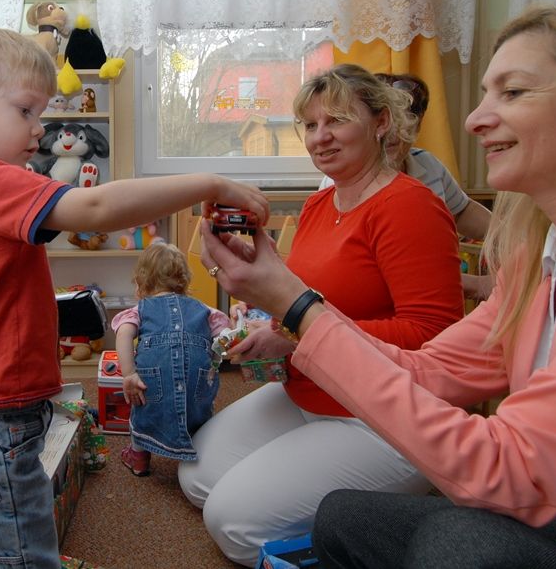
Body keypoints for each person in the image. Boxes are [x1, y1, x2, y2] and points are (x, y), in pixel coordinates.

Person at [198, 0, 556, 568]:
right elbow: (429, 370)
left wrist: (298, 313)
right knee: (336, 515)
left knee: (452, 543)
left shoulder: (411, 204)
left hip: (442, 448)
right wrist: (285, 313)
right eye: (310, 124)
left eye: (515, 92)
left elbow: (507, 467)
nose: (474, 119)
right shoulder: (537, 259)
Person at [0, 22, 269, 569]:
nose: (40, 127)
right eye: (25, 111)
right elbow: (96, 208)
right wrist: (210, 184)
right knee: (20, 557)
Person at [178, 63, 465, 566]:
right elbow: (306, 297)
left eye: (337, 120)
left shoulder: (409, 206)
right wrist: (256, 280)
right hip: (311, 386)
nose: (320, 137)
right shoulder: (320, 204)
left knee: (233, 523)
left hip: (383, 417)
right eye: (310, 125)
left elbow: (432, 335)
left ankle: (376, 530)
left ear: (381, 122)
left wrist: (296, 337)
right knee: (197, 475)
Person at [318, 72, 493, 300]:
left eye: (406, 123)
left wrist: (512, 236)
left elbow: (462, 211)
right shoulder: (340, 181)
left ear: (417, 128)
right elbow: (360, 274)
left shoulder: (427, 164)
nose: (393, 134)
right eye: (386, 123)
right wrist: (475, 285)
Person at [112, 243, 233, 477]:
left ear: (141, 282)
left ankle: (138, 458)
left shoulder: (140, 309)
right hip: (197, 380)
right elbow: (225, 334)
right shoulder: (204, 310)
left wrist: (129, 374)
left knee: (141, 409)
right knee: (199, 411)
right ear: (184, 280)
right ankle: (202, 452)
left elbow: (124, 333)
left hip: (152, 380)